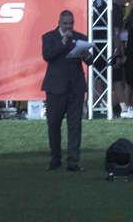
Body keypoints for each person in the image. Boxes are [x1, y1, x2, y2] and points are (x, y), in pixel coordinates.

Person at [41, 10, 94, 171]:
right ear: (59, 22)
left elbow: (90, 62)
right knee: (54, 124)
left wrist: (86, 54)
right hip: (56, 87)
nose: (68, 26)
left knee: (75, 125)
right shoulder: (48, 37)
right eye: (65, 23)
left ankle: (73, 161)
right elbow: (47, 55)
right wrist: (63, 42)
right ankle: (55, 158)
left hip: (75, 87)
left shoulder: (81, 37)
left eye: (71, 23)